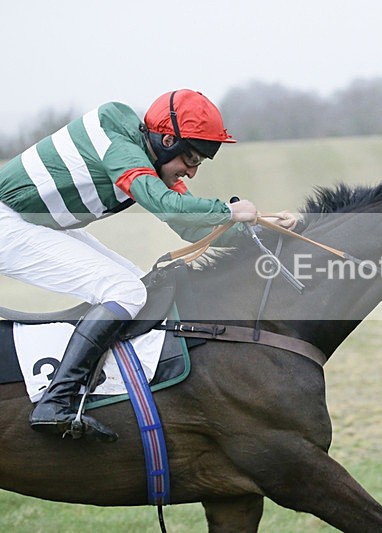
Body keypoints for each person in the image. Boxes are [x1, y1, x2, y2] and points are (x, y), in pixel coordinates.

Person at [0, 89, 296, 442]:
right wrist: (230, 211)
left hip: (32, 223)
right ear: (167, 139)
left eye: (199, 162)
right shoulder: (121, 148)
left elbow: (189, 227)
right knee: (124, 290)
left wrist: (260, 231)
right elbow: (169, 207)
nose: (192, 171)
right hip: (9, 222)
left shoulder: (147, 158)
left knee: (135, 285)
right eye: (191, 158)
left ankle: (101, 387)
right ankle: (56, 400)